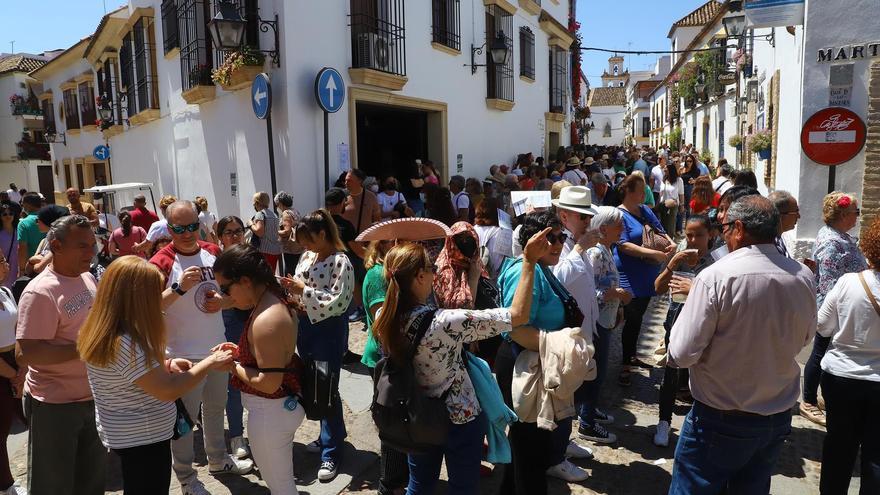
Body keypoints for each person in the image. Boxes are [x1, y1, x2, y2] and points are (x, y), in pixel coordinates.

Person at [373, 229, 550, 494]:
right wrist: (528, 261)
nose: (435, 273)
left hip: (416, 415)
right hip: (460, 418)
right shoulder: (444, 323)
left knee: (418, 486)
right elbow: (518, 315)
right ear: (420, 276)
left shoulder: (382, 319)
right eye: (431, 268)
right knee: (462, 488)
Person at [667, 196, 817, 494]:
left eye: (723, 227)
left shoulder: (716, 277)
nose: (722, 235)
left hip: (719, 417)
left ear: (738, 228)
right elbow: (805, 339)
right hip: (775, 417)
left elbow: (681, 354)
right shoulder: (803, 275)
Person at [77, 256, 235, 495]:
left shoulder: (108, 326)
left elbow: (128, 373)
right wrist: (209, 362)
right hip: (143, 437)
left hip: (130, 433)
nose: (157, 298)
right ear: (134, 296)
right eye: (152, 292)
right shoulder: (125, 342)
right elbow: (168, 390)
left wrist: (165, 364)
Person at [150, 201, 253, 494]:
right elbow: (146, 306)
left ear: (200, 223)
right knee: (184, 421)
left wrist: (225, 302)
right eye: (179, 228)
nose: (187, 233)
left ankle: (218, 460)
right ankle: (186, 479)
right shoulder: (161, 261)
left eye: (192, 226)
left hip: (215, 349)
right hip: (182, 356)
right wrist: (178, 288)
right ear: (168, 228)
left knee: (215, 409)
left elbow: (237, 295)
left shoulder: (212, 252)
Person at [496, 211, 590, 491]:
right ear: (531, 241)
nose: (559, 244)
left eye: (562, 237)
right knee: (530, 451)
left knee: (527, 449)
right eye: (551, 238)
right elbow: (516, 328)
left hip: (535, 362)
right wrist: (563, 346)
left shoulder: (541, 267)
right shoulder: (525, 270)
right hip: (523, 365)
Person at [15, 215, 105, 494]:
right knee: (53, 487)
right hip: (55, 405)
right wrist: (86, 347)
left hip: (93, 398)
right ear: (56, 245)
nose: (90, 253)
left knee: (91, 484)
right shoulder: (41, 292)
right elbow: (26, 353)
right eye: (82, 246)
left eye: (93, 244)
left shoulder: (88, 278)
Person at [212, 245, 305, 495]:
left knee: (281, 487)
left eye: (225, 288)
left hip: (270, 412)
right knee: (281, 483)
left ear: (244, 280)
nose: (225, 296)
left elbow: (269, 382)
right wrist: (241, 353)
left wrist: (232, 366)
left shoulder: (267, 318)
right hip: (275, 409)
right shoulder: (272, 296)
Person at [281, 209, 354, 482]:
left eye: (308, 240)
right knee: (315, 383)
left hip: (328, 330)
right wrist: (292, 292)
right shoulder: (309, 255)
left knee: (326, 386)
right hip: (306, 327)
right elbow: (302, 285)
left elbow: (339, 301)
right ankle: (331, 436)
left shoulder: (341, 261)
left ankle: (331, 451)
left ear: (323, 234)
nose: (305, 247)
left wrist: (303, 292)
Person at [815, 216, 880, 493]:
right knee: (876, 455)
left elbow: (823, 325)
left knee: (839, 449)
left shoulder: (847, 283)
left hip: (842, 377)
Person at [552, 187, 619, 446]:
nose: (588, 222)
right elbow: (558, 280)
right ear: (564, 215)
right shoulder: (559, 242)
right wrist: (579, 249)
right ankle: (560, 448)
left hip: (584, 328)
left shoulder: (577, 242)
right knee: (565, 393)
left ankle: (565, 443)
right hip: (567, 332)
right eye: (583, 217)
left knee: (574, 390)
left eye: (589, 217)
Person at [801, 192, 867, 427]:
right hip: (834, 308)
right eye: (855, 213)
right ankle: (808, 400)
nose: (858, 217)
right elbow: (828, 283)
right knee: (819, 352)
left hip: (843, 305)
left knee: (824, 351)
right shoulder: (831, 242)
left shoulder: (841, 237)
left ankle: (818, 396)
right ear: (843, 215)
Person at [652, 215, 714, 447]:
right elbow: (658, 288)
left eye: (699, 235)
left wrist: (694, 289)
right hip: (676, 323)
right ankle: (663, 422)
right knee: (670, 374)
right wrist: (674, 261)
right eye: (689, 234)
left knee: (702, 377)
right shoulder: (678, 257)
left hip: (703, 326)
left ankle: (699, 427)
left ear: (710, 235)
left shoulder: (716, 262)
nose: (693, 239)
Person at [359, 239, 408, 494]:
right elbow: (381, 324)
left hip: (390, 357)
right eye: (396, 241)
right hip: (383, 357)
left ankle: (398, 480)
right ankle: (390, 485)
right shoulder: (378, 274)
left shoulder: (389, 272)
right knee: (391, 423)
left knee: (399, 421)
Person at [615, 174, 673, 386]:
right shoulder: (619, 215)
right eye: (640, 190)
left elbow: (660, 230)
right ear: (629, 192)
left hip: (648, 272)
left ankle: (631, 355)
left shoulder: (645, 210)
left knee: (638, 317)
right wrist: (653, 254)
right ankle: (625, 364)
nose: (644, 193)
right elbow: (622, 245)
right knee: (630, 318)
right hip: (630, 274)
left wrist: (670, 244)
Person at [583, 207, 631, 441]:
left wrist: (618, 304)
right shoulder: (596, 253)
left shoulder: (606, 250)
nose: (623, 228)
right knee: (596, 371)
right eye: (618, 225)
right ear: (603, 229)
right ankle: (586, 422)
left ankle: (590, 410)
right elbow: (589, 291)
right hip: (597, 321)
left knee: (600, 370)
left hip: (606, 318)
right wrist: (616, 295)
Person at [216, 216, 252, 460]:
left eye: (238, 231)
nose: (235, 235)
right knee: (233, 384)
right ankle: (237, 436)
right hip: (227, 324)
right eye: (229, 232)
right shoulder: (215, 262)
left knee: (253, 377)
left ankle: (259, 434)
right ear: (220, 236)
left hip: (251, 322)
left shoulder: (251, 258)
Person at [0, 251, 23, 494]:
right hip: (3, 367)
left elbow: (18, 330)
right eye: (2, 261)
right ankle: (7, 486)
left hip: (13, 361)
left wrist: (20, 369)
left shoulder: (6, 292)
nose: (7, 264)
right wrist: (11, 374)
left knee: (26, 417)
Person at [473, 197, 513, 280]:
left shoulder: (472, 229)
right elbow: (508, 259)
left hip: (475, 279)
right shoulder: (505, 232)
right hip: (496, 280)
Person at [249, 191, 282, 272]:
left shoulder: (260, 214)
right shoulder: (274, 215)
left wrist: (250, 224)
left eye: (254, 204)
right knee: (271, 274)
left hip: (264, 250)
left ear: (257, 203)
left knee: (263, 275)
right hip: (275, 250)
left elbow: (259, 232)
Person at [275, 191, 303, 277]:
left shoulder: (286, 213)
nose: (277, 206)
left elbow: (287, 231)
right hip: (299, 245)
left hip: (290, 248)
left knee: (289, 271)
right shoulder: (295, 211)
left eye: (277, 204)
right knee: (296, 269)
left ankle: (290, 290)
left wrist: (276, 233)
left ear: (280, 203)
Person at [16, 193, 44, 272]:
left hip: (32, 268)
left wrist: (21, 269)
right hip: (50, 265)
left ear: (27, 205)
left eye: (22, 204)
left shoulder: (23, 223)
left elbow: (22, 248)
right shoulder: (50, 217)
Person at [768, 190, 800, 257]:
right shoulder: (769, 243)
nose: (799, 216)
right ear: (781, 216)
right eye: (796, 211)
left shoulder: (778, 236)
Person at [657, 163, 684, 236]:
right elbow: (661, 193)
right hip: (663, 204)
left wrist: (681, 205)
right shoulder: (664, 179)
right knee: (663, 223)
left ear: (671, 170)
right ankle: (664, 240)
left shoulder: (679, 180)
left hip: (673, 205)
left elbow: (681, 194)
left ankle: (671, 239)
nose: (664, 169)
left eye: (666, 168)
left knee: (671, 225)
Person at [0, 205, 18, 289]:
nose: (8, 216)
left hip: (18, 270)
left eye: (11, 213)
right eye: (4, 214)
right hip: (4, 271)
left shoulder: (19, 231)